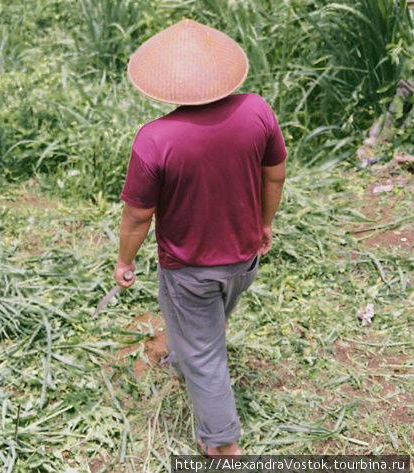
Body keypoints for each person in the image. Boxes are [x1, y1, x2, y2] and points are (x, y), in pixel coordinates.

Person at [114, 19, 287, 458]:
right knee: (206, 326)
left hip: (189, 270)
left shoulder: (155, 140)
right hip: (243, 260)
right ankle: (185, 355)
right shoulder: (256, 111)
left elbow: (138, 216)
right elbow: (275, 174)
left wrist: (125, 261)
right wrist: (265, 225)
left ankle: (222, 444)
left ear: (166, 85)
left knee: (207, 355)